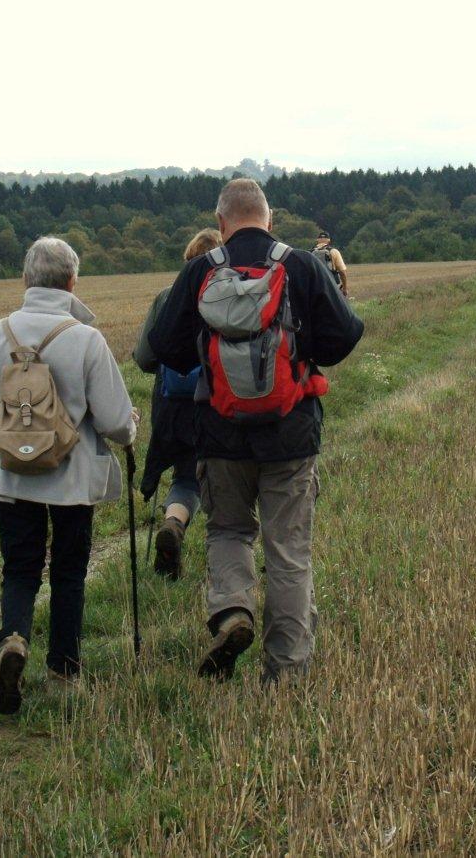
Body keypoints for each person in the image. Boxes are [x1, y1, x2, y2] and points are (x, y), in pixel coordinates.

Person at [149, 178, 364, 684]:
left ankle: (233, 612)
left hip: (220, 433)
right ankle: (285, 673)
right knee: (287, 550)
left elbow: (165, 348)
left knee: (227, 530)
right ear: (269, 219)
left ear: (221, 223)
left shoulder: (202, 269)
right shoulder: (301, 265)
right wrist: (302, 352)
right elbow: (346, 333)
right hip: (291, 433)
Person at [0, 237, 139, 714]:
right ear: (72, 282)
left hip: (11, 477)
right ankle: (64, 670)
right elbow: (114, 422)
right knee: (69, 573)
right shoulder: (86, 338)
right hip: (72, 481)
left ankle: (13, 639)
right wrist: (132, 427)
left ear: (25, 279)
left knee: (20, 570)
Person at [132, 228, 222, 579]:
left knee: (184, 473)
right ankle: (213, 543)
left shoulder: (166, 297)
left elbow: (144, 357)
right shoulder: (227, 297)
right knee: (212, 475)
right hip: (211, 403)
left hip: (169, 404)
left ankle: (173, 522)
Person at [312, 230, 350, 296]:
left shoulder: (309, 253)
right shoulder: (334, 251)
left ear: (317, 240)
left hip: (315, 287)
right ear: (329, 240)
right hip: (331, 286)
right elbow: (342, 272)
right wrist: (345, 288)